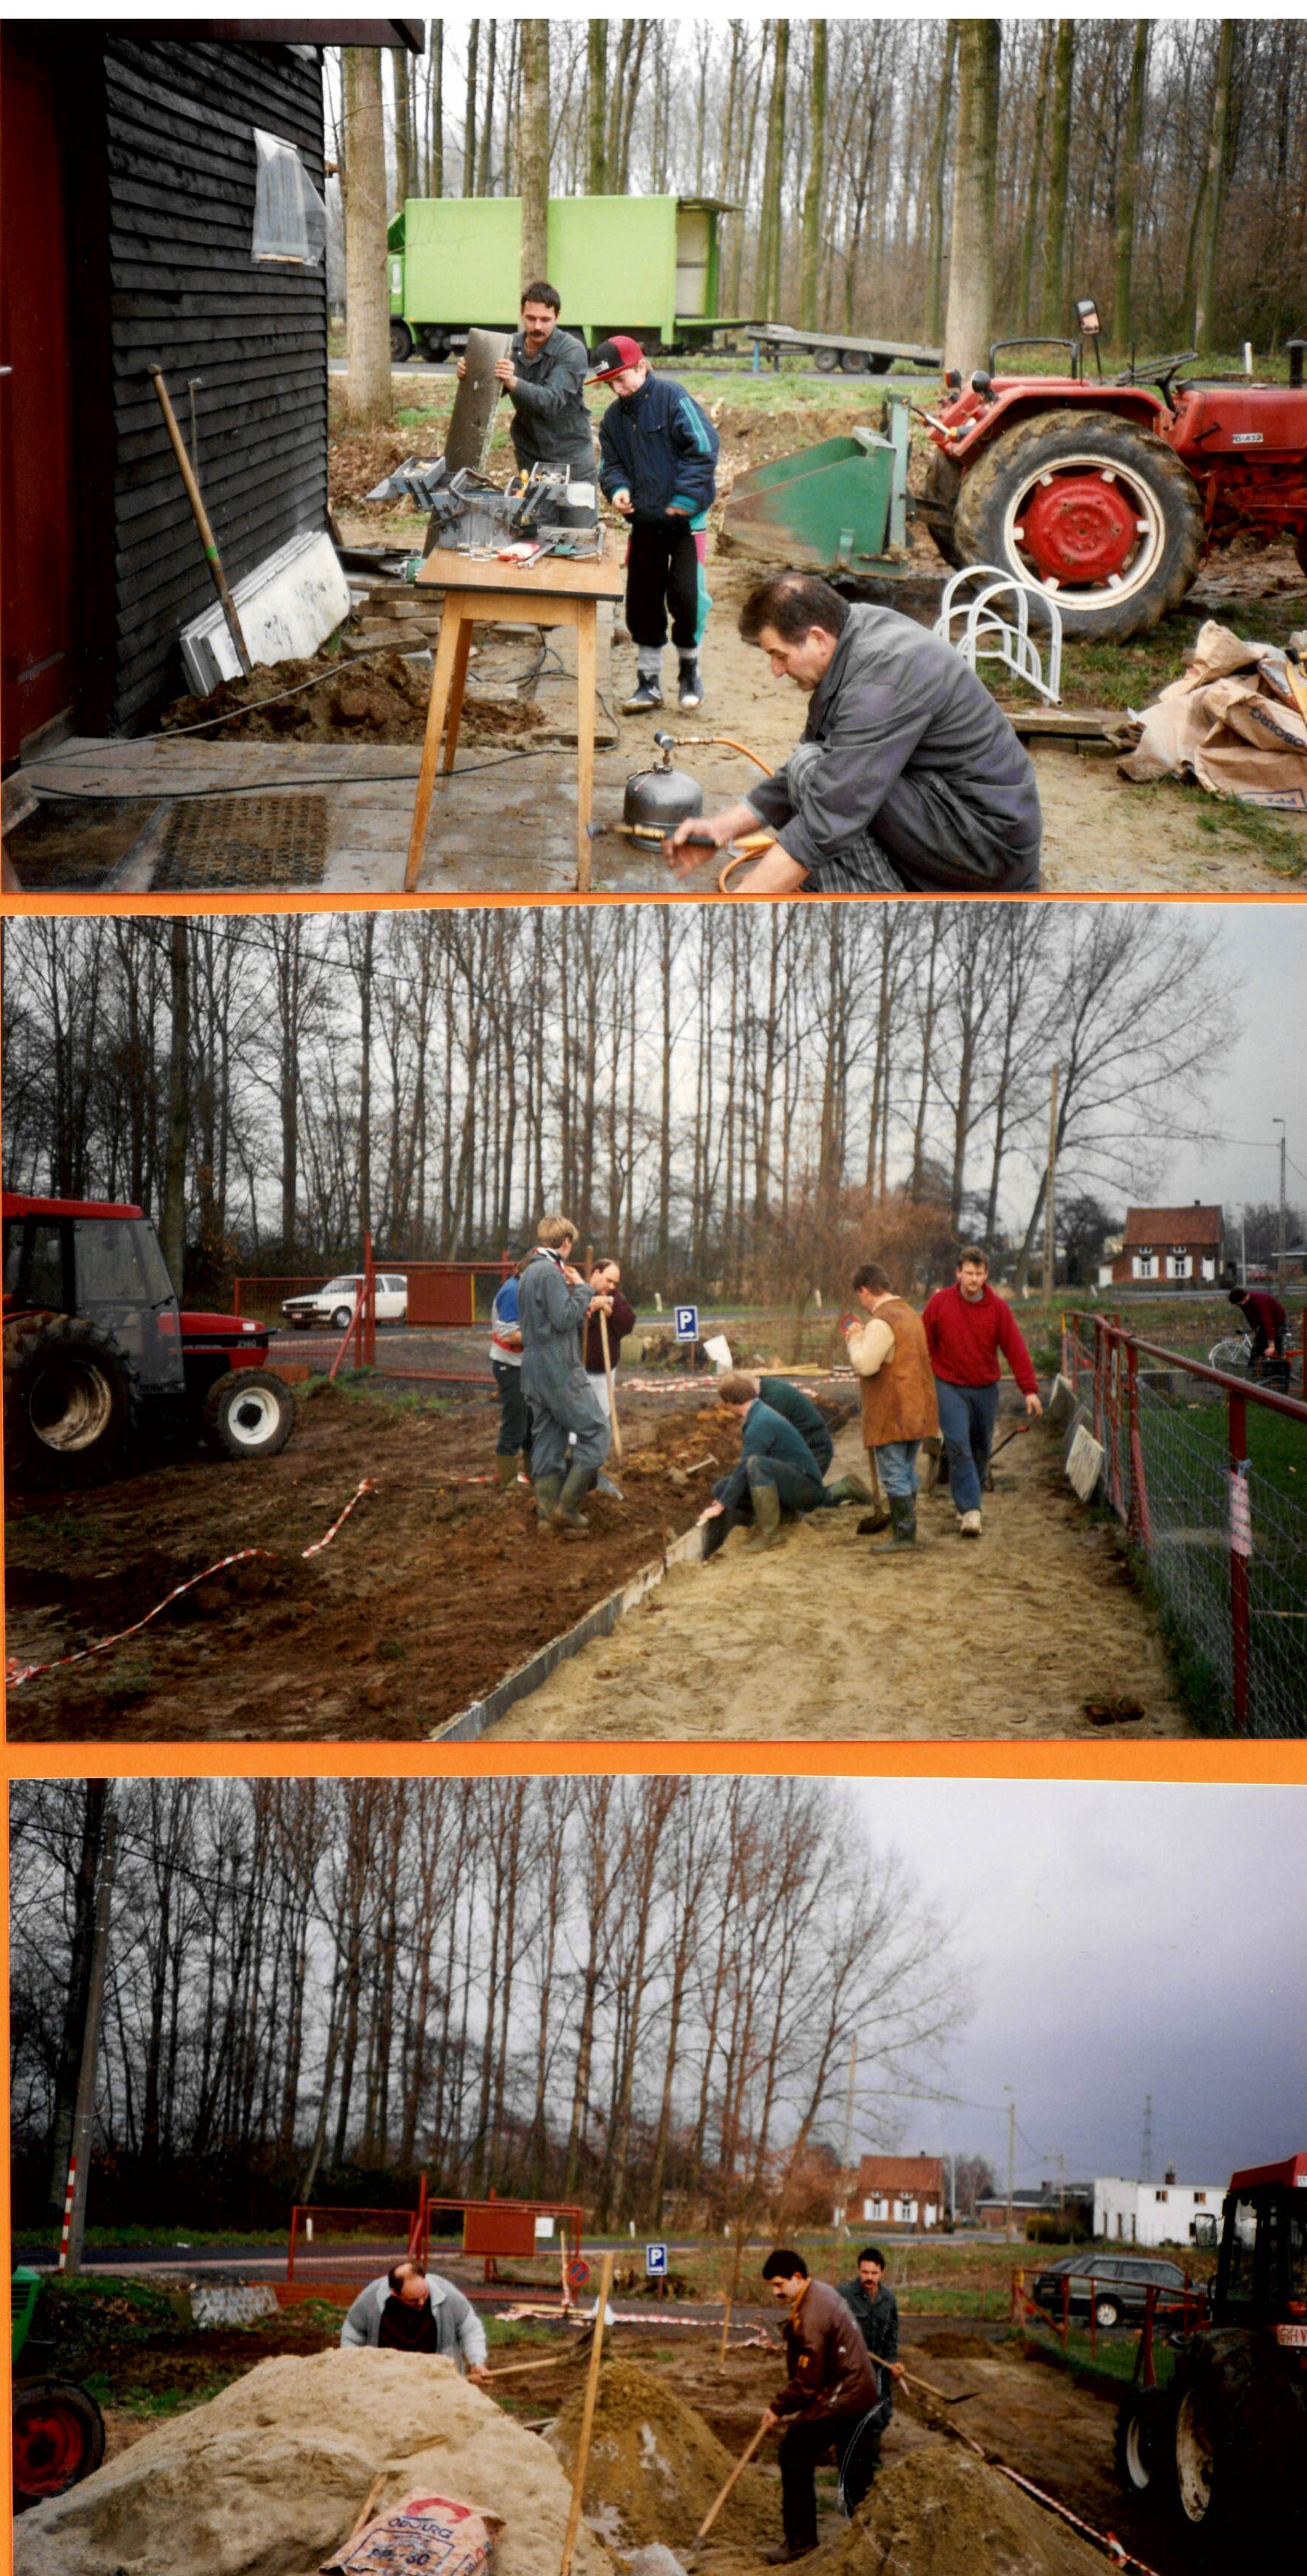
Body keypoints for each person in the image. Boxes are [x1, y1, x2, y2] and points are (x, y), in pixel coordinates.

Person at [665, 571, 1042, 894]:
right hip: (952, 820)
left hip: (986, 848)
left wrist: (735, 907)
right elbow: (814, 770)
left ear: (817, 638)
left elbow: (831, 813)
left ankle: (887, 921)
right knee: (809, 772)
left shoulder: (883, 677)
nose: (776, 671)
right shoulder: (851, 633)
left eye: (779, 655)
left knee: (815, 779)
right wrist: (721, 828)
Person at [590, 335, 718, 714]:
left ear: (641, 367)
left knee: (687, 597)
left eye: (621, 378)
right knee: (643, 601)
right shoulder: (613, 419)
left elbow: (704, 448)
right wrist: (618, 490)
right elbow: (610, 466)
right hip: (644, 522)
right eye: (609, 384)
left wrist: (684, 499)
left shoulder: (673, 399)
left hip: (686, 521)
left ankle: (689, 671)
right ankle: (648, 681)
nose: (617, 388)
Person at [759, 2248, 884, 2563]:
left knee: (793, 2451)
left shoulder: (812, 2313)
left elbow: (807, 2379)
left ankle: (801, 2542)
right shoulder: (820, 2292)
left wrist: (777, 2408)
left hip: (846, 2395)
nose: (776, 2292)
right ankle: (869, 2541)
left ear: (797, 2277)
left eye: (779, 2284)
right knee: (855, 2469)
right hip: (860, 2391)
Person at [922, 1245, 1042, 1537]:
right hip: (949, 1385)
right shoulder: (939, 1303)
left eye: (979, 1273)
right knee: (958, 1444)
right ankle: (970, 1510)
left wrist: (1029, 1390)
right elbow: (923, 1344)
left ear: (986, 1274)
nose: (974, 1279)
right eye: (969, 1273)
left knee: (980, 1448)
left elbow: (1015, 1349)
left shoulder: (998, 1309)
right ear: (958, 1273)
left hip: (985, 1388)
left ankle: (966, 1500)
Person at [518, 1215, 611, 1532]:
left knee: (549, 1437)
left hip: (533, 1368)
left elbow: (549, 1318)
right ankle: (567, 1509)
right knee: (597, 1431)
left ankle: (547, 1516)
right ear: (567, 1242)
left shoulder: (529, 1271)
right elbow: (563, 1318)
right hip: (558, 1367)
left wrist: (577, 1299)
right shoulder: (548, 1272)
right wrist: (584, 1289)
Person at [458, 280, 595, 493]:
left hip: (571, 457)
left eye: (545, 319)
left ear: (557, 316)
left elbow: (551, 401)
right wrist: (469, 373)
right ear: (521, 313)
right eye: (531, 318)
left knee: (575, 515)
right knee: (534, 513)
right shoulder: (508, 346)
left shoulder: (572, 350)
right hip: (530, 454)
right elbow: (487, 392)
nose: (537, 327)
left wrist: (512, 380)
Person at [843, 1264, 940, 1555]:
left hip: (892, 1413)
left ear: (864, 1290)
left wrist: (854, 1339)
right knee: (907, 1470)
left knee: (895, 1474)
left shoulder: (881, 1322)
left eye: (859, 1295)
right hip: (916, 1410)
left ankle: (904, 1535)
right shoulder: (910, 1314)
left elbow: (865, 1364)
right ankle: (906, 1526)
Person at [697, 1372, 826, 1557]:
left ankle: (770, 1535)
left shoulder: (761, 1422)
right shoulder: (758, 1413)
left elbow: (745, 1466)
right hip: (792, 1482)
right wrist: (724, 1498)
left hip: (807, 1491)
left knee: (756, 1464)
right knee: (722, 1488)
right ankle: (782, 1515)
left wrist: (720, 1507)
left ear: (730, 1402)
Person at [341, 2258, 489, 2380]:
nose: (421, 2303)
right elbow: (352, 2335)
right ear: (395, 2292)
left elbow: (470, 2329)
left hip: (437, 2380)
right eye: (412, 2300)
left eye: (424, 2295)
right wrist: (353, 2367)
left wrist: (477, 2361)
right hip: (387, 2380)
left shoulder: (447, 2294)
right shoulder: (371, 2299)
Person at [836, 2247, 903, 2486]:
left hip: (879, 2368)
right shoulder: (843, 2295)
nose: (869, 2277)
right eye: (865, 2272)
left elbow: (891, 2336)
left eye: (874, 2273)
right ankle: (850, 2471)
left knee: (881, 2416)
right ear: (858, 2270)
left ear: (882, 2273)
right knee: (851, 2420)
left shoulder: (888, 2299)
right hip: (852, 2370)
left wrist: (893, 2362)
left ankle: (868, 2462)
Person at [756, 1373, 874, 1508]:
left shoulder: (773, 1401)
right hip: (806, 1450)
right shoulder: (762, 1393)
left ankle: (840, 1489)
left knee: (785, 1500)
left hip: (814, 1453)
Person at [488, 1263, 530, 1489]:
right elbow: (509, 1334)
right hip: (510, 1365)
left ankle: (534, 1477)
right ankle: (508, 1485)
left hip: (526, 1365)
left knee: (532, 1422)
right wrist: (543, 1334)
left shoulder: (527, 1289)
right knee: (515, 1422)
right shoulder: (513, 1292)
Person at [582, 1258, 636, 1419]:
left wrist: (609, 1301)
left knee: (602, 1415)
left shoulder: (616, 1296)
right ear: (596, 1273)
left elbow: (628, 1323)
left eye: (615, 1283)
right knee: (577, 1418)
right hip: (578, 1372)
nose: (612, 1286)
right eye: (609, 1281)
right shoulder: (579, 1291)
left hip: (604, 1372)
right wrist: (594, 1304)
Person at [1228, 1283, 1288, 1376]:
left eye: (1239, 1303)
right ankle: (1251, 1374)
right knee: (1257, 1347)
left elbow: (1267, 1321)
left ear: (1244, 1298)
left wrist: (1271, 1344)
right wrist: (1254, 1330)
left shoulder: (1259, 1301)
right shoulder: (1244, 1304)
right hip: (1265, 1323)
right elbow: (1250, 1317)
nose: (1238, 1305)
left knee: (1276, 1348)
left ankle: (1280, 1375)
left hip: (1277, 1321)